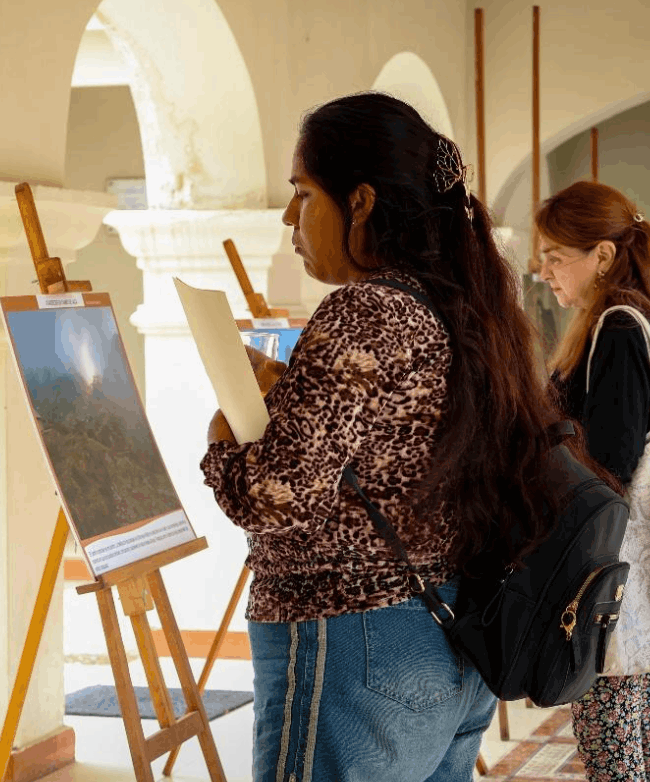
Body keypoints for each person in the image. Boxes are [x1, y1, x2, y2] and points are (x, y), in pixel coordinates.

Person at [201, 92, 575, 781]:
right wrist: (292, 389)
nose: (290, 216)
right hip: (447, 633)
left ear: (362, 201)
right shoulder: (457, 304)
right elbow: (389, 443)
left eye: (303, 192)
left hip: (350, 640)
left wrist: (225, 438)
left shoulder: (364, 311)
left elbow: (273, 497)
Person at [534, 180, 650, 782]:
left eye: (556, 256)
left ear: (601, 255)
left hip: (611, 569)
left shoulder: (619, 326)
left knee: (613, 734)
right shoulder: (616, 320)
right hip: (625, 567)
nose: (545, 271)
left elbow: (612, 461)